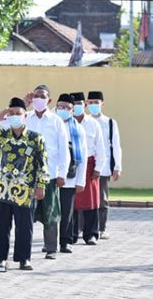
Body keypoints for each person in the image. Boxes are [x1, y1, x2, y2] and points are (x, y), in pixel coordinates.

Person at [0, 97, 48, 272]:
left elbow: (42, 162)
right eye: (12, 114)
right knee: (1, 226)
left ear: (25, 116)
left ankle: (24, 259)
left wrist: (42, 185)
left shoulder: (35, 138)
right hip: (1, 189)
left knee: (24, 226)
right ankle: (0, 259)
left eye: (18, 114)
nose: (15, 117)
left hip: (24, 190)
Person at [21, 85, 69, 260]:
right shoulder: (25, 117)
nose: (38, 99)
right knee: (26, 213)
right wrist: (23, 105)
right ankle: (24, 248)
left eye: (42, 96)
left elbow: (64, 149)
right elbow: (4, 124)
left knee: (50, 212)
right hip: (28, 173)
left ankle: (50, 248)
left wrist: (62, 173)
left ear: (49, 100)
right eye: (36, 96)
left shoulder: (56, 121)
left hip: (49, 173)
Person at [70, 92, 106, 245]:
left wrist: (99, 168)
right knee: (71, 201)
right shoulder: (64, 122)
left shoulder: (92, 123)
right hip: (71, 165)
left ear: (84, 105)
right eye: (74, 104)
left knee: (91, 201)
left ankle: (91, 233)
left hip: (90, 164)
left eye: (80, 103)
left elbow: (100, 147)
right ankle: (71, 234)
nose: (77, 106)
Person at [86, 91, 122, 239]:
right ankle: (84, 228)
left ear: (102, 104)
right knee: (85, 197)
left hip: (104, 166)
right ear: (86, 104)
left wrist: (117, 167)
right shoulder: (83, 121)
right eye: (91, 102)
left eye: (97, 102)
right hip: (87, 164)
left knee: (102, 198)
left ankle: (102, 228)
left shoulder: (110, 123)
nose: (94, 105)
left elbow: (116, 145)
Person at [55, 93, 88, 254]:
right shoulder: (51, 123)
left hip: (70, 176)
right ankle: (51, 242)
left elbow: (82, 156)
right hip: (51, 176)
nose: (63, 110)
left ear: (72, 110)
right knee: (51, 211)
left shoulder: (78, 128)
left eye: (67, 108)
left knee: (67, 212)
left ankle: (65, 241)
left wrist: (80, 180)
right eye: (60, 106)